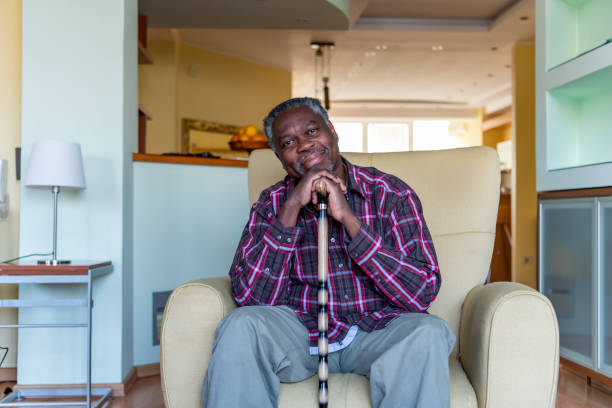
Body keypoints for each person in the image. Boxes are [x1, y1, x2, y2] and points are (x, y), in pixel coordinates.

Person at [201, 97, 455, 408]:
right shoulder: (271, 204)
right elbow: (251, 300)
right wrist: (291, 208)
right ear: (281, 158)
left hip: (377, 331)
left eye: (311, 132)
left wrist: (349, 220)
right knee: (240, 324)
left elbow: (421, 294)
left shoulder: (390, 193)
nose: (304, 146)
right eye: (289, 142)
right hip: (300, 334)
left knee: (428, 331)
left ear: (332, 131)